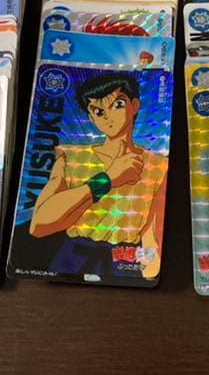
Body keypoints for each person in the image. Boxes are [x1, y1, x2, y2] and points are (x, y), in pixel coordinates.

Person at [30, 73, 167, 281]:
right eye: (98, 111)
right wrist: (106, 180)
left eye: (118, 104)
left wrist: (150, 270)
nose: (108, 117)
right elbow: (39, 225)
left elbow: (151, 233)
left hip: (124, 260)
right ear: (91, 117)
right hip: (72, 259)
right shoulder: (72, 157)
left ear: (135, 105)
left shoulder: (158, 165)